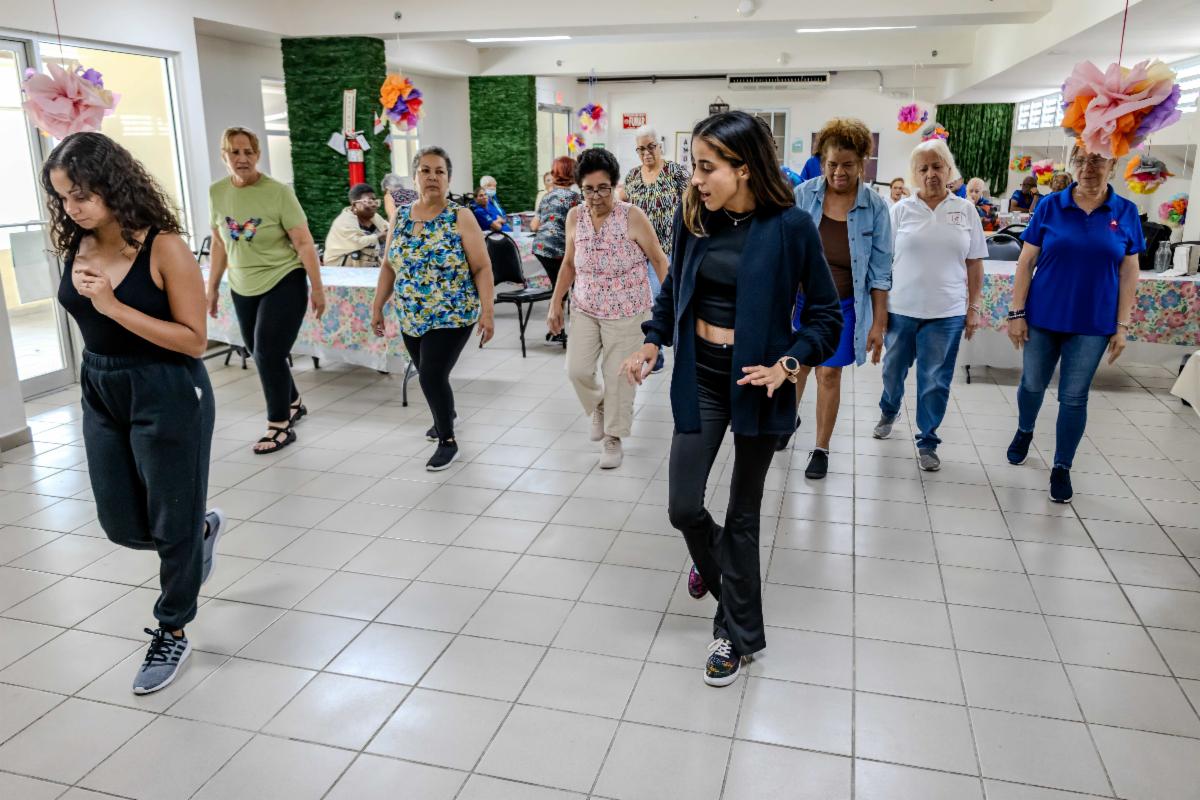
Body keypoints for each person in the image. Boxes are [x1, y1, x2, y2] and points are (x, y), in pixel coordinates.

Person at [621, 111, 842, 687]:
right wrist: (652, 340)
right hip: (699, 375)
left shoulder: (791, 227)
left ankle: (732, 634)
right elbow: (674, 288)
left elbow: (826, 316)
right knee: (683, 507)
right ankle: (716, 562)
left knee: (744, 514)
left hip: (757, 384)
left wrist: (790, 364)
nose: (695, 178)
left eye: (705, 167)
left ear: (743, 168)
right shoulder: (695, 216)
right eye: (694, 166)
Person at [46, 132, 221, 695]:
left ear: (112, 185)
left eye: (81, 195)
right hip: (101, 384)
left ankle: (173, 629)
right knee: (120, 523)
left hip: (166, 386)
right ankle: (196, 532)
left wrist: (112, 306)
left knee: (170, 523)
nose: (72, 207)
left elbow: (194, 340)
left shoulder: (163, 246)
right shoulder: (76, 242)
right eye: (63, 197)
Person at [1005, 147, 1143, 503]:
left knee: (1074, 396)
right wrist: (1017, 313)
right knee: (1032, 384)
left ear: (1113, 164)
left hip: (1093, 323)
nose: (1087, 167)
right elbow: (1026, 261)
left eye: (1097, 159)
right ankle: (1025, 429)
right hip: (1043, 316)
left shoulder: (1126, 211)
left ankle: (1062, 466)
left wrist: (1122, 325)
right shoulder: (1050, 205)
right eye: (1080, 160)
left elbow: (1129, 271)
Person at [371, 146, 495, 471]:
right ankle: (447, 413)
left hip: (453, 313)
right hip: (411, 315)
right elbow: (389, 265)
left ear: (448, 179)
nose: (432, 177)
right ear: (415, 177)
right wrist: (377, 305)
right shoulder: (400, 216)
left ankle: (447, 441)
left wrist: (488, 311)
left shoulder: (460, 216)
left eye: (439, 171)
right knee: (430, 373)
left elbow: (482, 267)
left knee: (430, 375)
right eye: (425, 170)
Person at [547, 148, 669, 470]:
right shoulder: (575, 217)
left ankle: (613, 437)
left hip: (628, 310)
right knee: (576, 370)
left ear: (615, 185)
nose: (596, 196)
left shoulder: (632, 216)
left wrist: (671, 306)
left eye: (603, 188)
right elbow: (569, 263)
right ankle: (599, 405)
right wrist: (556, 302)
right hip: (586, 307)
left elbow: (659, 260)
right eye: (589, 189)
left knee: (619, 379)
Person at [206, 126, 325, 454]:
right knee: (258, 351)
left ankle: (279, 426)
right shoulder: (217, 192)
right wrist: (212, 287)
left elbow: (303, 242)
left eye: (248, 152)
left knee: (268, 353)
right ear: (224, 156)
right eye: (234, 152)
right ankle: (293, 403)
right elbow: (219, 242)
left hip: (283, 279)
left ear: (258, 155)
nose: (242, 158)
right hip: (242, 285)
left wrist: (317, 288)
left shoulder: (278, 192)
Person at [785, 118, 893, 477]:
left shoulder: (875, 207)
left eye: (848, 165)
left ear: (862, 163)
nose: (839, 172)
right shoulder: (803, 196)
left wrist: (878, 324)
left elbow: (880, 272)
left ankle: (821, 447)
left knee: (829, 373)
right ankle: (787, 420)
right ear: (822, 162)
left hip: (845, 307)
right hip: (803, 303)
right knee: (796, 365)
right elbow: (785, 253)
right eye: (831, 164)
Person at [874, 139, 987, 472]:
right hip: (901, 309)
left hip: (946, 313)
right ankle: (889, 408)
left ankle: (927, 440)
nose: (930, 174)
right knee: (893, 370)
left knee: (935, 380)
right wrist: (879, 311)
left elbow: (974, 263)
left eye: (937, 166)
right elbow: (882, 262)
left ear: (949, 169)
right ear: (914, 174)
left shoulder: (965, 210)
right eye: (922, 168)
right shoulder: (901, 210)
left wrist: (974, 307)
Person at [619, 125, 692, 375]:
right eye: (641, 149)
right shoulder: (632, 177)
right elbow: (625, 207)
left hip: (669, 248)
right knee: (647, 301)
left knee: (663, 297)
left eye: (651, 147)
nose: (646, 153)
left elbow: (692, 205)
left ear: (659, 145)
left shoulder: (675, 172)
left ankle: (664, 348)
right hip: (639, 252)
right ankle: (655, 352)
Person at [530, 156, 580, 343]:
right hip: (559, 248)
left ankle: (555, 329)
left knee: (559, 288)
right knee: (567, 288)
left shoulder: (546, 196)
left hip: (541, 247)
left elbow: (534, 225)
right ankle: (561, 330)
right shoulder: (575, 198)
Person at [324, 183, 389, 266]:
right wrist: (379, 236)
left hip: (368, 266)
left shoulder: (374, 217)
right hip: (340, 268)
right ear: (354, 204)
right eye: (369, 202)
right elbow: (357, 242)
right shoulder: (344, 221)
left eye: (375, 201)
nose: (374, 205)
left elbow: (389, 229)